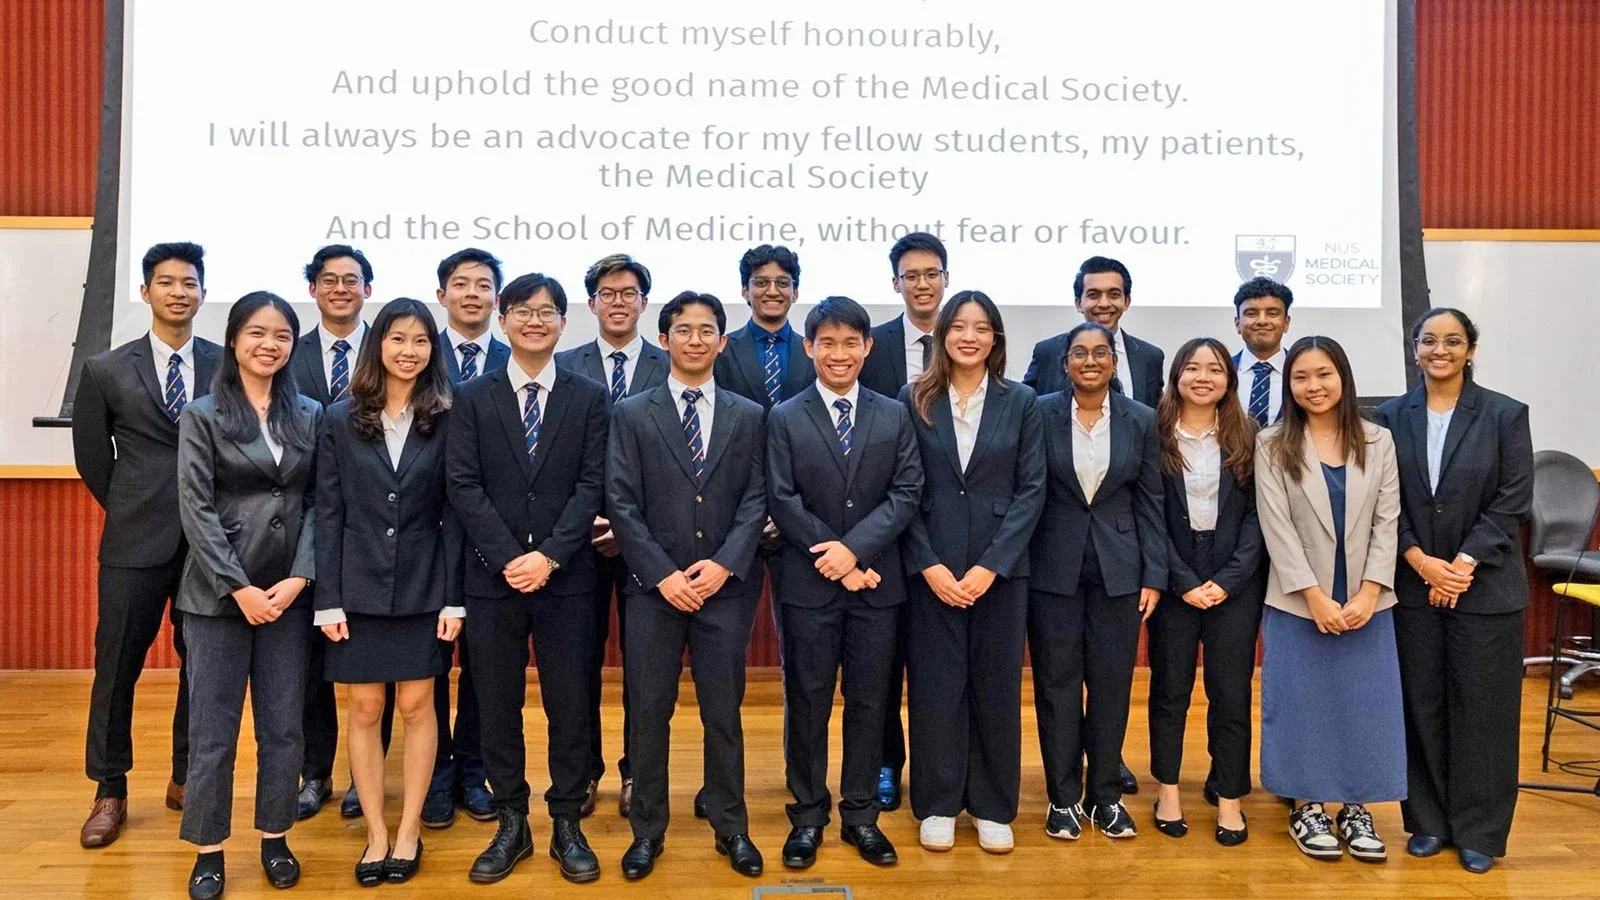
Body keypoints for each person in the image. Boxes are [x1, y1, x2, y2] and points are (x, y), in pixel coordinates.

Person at [446, 272, 609, 885]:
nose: (535, 321)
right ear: (503, 319)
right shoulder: (472, 395)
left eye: (547, 312)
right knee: (497, 702)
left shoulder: (590, 397)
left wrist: (551, 557)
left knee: (571, 703)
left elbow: (593, 485)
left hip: (567, 580)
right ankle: (511, 820)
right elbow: (463, 485)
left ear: (566, 322)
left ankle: (567, 819)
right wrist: (511, 555)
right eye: (522, 311)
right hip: (493, 578)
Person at [606, 291, 769, 880]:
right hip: (654, 590)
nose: (695, 339)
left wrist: (724, 564)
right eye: (683, 329)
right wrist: (663, 574)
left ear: (723, 341)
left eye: (707, 330)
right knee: (649, 713)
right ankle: (647, 831)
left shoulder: (750, 415)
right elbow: (621, 502)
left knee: (723, 713)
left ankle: (732, 827)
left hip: (724, 589)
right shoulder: (631, 412)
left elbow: (757, 499)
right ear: (665, 337)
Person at [766, 296, 923, 870]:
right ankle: (807, 816)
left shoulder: (894, 412)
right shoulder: (783, 416)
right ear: (808, 348)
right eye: (826, 343)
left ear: (867, 347)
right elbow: (781, 499)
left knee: (869, 700)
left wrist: (854, 552)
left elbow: (906, 492)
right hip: (808, 586)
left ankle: (860, 816)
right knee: (806, 701)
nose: (839, 354)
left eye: (850, 342)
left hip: (877, 583)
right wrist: (833, 556)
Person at [1374, 308, 1533, 874]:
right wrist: (1421, 562)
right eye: (1429, 340)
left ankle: (1479, 832)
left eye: (1452, 341)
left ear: (1470, 349)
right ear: (1415, 348)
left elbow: (1512, 498)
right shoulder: (1390, 417)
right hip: (1415, 586)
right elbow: (1383, 502)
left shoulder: (1505, 414)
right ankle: (1428, 822)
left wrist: (1461, 564)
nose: (1440, 349)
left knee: (1484, 712)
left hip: (1484, 589)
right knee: (1423, 704)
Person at [72, 241, 221, 847]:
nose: (178, 291)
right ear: (146, 291)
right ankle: (109, 788)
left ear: (203, 293)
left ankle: (187, 778)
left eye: (189, 282)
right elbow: (91, 460)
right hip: (133, 543)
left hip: (212, 544)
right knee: (117, 669)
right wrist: (136, 508)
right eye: (166, 282)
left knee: (204, 667)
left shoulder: (226, 362)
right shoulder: (106, 369)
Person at [174, 292, 321, 899]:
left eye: (282, 335)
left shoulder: (310, 412)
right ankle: (209, 851)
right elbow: (196, 507)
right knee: (213, 729)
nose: (270, 344)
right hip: (217, 597)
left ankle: (275, 835)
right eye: (257, 333)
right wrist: (239, 588)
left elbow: (320, 501)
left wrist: (299, 578)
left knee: (285, 727)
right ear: (234, 339)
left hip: (288, 594)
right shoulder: (203, 414)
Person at [314, 298, 462, 885]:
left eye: (421, 340)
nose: (409, 350)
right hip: (356, 587)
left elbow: (455, 513)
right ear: (378, 345)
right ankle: (375, 833)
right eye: (397, 339)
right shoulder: (339, 417)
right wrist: (327, 596)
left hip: (427, 585)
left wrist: (455, 598)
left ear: (433, 350)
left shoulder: (450, 415)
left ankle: (409, 830)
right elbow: (327, 512)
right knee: (366, 707)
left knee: (417, 705)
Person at [900, 290, 1044, 853]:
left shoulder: (1022, 401)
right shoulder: (912, 398)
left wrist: (991, 566)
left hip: (1001, 573)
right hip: (930, 568)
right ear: (941, 335)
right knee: (935, 688)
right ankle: (936, 802)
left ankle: (991, 804)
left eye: (981, 328)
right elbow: (902, 490)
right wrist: (929, 563)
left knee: (995, 687)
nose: (968, 336)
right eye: (958, 326)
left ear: (995, 339)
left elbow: (1032, 490)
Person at [1255, 335, 1404, 863]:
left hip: (1369, 602)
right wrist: (1314, 596)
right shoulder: (1272, 443)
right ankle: (1307, 805)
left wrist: (1369, 591)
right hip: (1299, 602)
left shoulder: (1378, 440)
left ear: (1343, 377)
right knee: (1301, 706)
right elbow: (1277, 528)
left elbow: (1389, 523)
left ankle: (1358, 808)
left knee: (1366, 707)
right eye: (1301, 377)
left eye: (1324, 374)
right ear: (1289, 386)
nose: (1313, 386)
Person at [1027, 322, 1166, 841]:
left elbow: (1152, 501)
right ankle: (1063, 799)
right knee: (1056, 687)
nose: (1090, 360)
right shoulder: (1037, 413)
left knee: (1111, 687)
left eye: (1100, 352)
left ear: (1113, 361)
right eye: (1080, 353)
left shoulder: (1141, 420)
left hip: (1121, 573)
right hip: (1051, 570)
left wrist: (1154, 573)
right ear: (1064, 362)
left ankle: (1104, 796)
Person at [555, 253, 669, 819]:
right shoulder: (563, 363)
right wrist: (589, 522)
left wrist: (629, 528)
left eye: (629, 292)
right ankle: (583, 774)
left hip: (651, 541)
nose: (619, 301)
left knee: (644, 669)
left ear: (644, 303)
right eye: (608, 292)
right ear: (592, 302)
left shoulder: (671, 362)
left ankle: (636, 771)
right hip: (579, 540)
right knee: (577, 665)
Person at [1145, 338, 1265, 846]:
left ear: (1228, 379)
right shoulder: (1153, 434)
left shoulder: (1251, 435)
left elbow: (1263, 517)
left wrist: (1228, 580)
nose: (1202, 377)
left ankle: (1231, 797)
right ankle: (1168, 790)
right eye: (1191, 367)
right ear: (1176, 376)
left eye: (1214, 369)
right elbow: (1147, 516)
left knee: (1231, 694)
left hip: (1235, 579)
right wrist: (1183, 582)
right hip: (1175, 578)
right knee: (1170, 693)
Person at [289, 244, 390, 821]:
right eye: (329, 280)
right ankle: (315, 771)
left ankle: (364, 776)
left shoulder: (399, 347)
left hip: (380, 529)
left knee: (378, 661)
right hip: (301, 524)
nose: (340, 289)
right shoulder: (288, 351)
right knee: (309, 659)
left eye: (352, 280)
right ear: (314, 289)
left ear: (367, 289)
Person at [859, 231, 950, 811]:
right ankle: (886, 764)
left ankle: (944, 767)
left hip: (953, 533)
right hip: (888, 529)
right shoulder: (876, 345)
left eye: (932, 273)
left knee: (940, 668)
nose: (922, 283)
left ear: (946, 279)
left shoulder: (970, 336)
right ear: (896, 283)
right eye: (911, 275)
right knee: (885, 666)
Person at [424, 247, 506, 826]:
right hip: (426, 533)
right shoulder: (416, 357)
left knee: (485, 666)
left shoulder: (517, 358)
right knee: (425, 659)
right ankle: (431, 776)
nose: (472, 293)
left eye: (483, 284)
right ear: (442, 295)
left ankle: (475, 769)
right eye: (461, 283)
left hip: (493, 537)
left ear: (497, 299)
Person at [1023, 256, 1165, 408]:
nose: (1104, 303)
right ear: (1079, 303)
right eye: (1094, 295)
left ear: (1126, 301)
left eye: (1114, 295)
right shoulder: (1048, 352)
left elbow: (1155, 418)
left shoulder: (1149, 357)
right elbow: (1024, 406)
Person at [715, 244, 815, 410]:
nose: (773, 292)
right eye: (761, 283)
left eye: (783, 283)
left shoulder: (812, 352)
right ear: (745, 290)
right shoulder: (721, 349)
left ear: (795, 292)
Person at [1232, 277, 1293, 428]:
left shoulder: (1302, 371)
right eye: (1251, 314)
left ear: (1286, 323)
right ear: (1237, 324)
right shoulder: (1221, 371)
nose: (1262, 321)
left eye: (1272, 313)